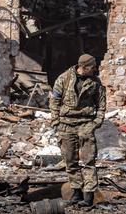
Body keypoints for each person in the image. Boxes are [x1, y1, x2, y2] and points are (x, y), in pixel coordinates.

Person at [49, 53, 106, 207]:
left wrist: (97, 122)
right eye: (92, 67)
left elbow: (101, 104)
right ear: (84, 67)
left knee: (88, 160)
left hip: (86, 124)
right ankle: (76, 192)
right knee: (70, 160)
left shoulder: (95, 82)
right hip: (66, 125)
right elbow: (54, 101)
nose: (95, 70)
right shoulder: (64, 78)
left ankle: (88, 196)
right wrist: (56, 123)